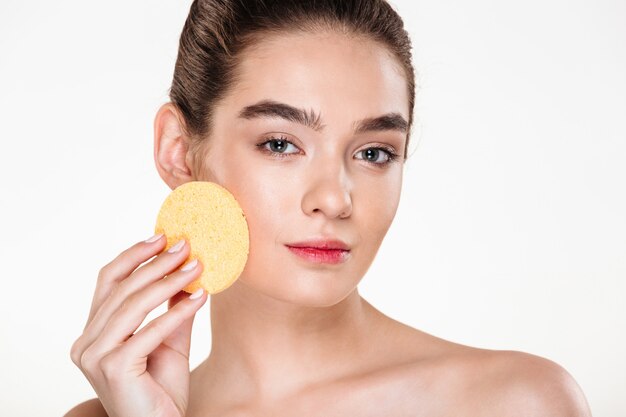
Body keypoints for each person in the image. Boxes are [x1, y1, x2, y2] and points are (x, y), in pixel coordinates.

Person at [67, 0, 592, 415]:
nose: (335, 199)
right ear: (178, 153)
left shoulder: (514, 403)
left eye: (373, 153)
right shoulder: (113, 414)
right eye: (280, 144)